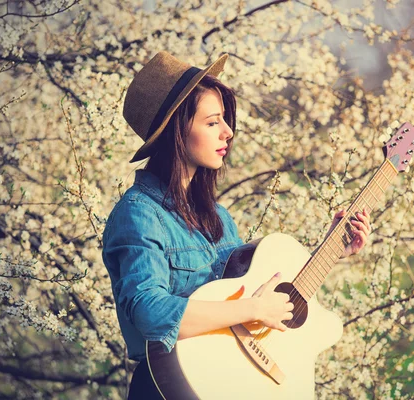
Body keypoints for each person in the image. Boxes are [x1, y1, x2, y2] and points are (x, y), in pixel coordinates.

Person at [101, 52, 372, 400]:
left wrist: (332, 248)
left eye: (225, 121)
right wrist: (252, 309)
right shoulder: (138, 214)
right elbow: (149, 312)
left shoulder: (218, 216)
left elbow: (252, 295)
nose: (228, 132)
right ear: (176, 132)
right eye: (212, 122)